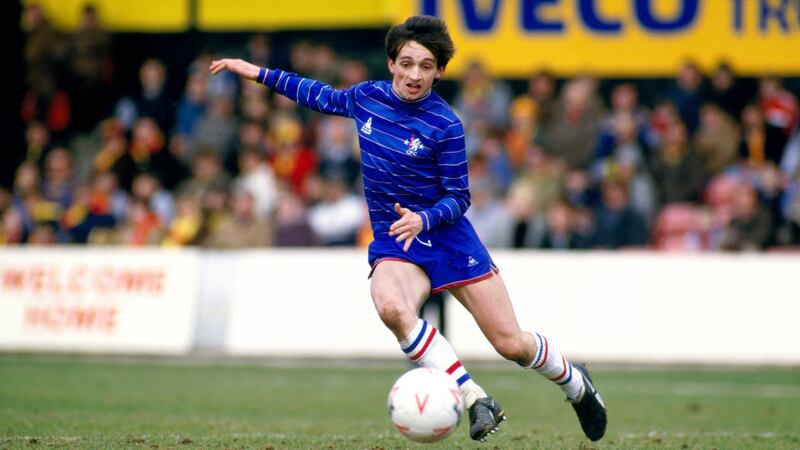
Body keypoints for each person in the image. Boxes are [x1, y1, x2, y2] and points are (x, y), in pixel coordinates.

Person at [210, 15, 607, 442]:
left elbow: (460, 198)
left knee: (511, 344)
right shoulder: (366, 98)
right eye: (407, 63)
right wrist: (257, 73)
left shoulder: (446, 124)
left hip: (447, 238)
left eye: (425, 66)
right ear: (391, 64)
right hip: (397, 240)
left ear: (439, 71)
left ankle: (576, 383)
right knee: (392, 308)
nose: (414, 74)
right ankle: (474, 399)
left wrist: (424, 217)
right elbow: (317, 95)